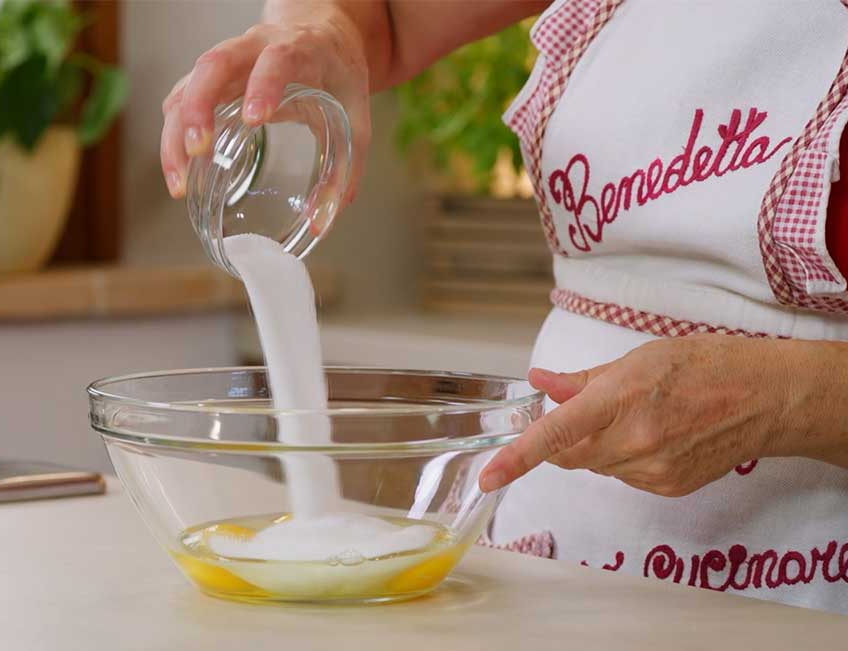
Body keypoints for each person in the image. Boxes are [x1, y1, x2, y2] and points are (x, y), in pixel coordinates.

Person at [161, 0, 848, 614]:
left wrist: (786, 397)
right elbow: (391, 18)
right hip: (565, 560)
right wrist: (320, 30)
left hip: (812, 609)